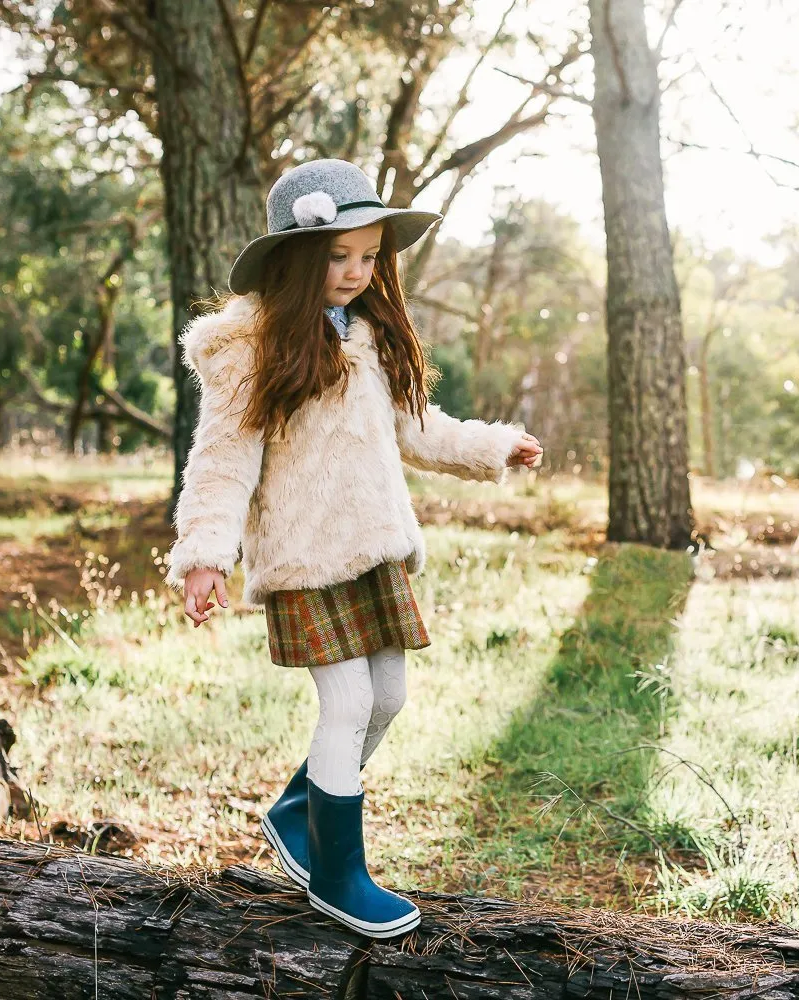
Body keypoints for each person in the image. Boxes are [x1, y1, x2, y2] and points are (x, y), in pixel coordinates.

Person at [162, 159, 542, 939]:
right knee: (349, 704)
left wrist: (495, 447)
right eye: (339, 257)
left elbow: (419, 431)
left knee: (390, 699)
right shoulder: (250, 349)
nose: (356, 272)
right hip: (305, 557)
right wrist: (206, 552)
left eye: (369, 257)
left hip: (373, 550)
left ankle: (302, 811)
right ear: (298, 259)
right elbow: (222, 460)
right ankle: (339, 876)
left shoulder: (367, 337)